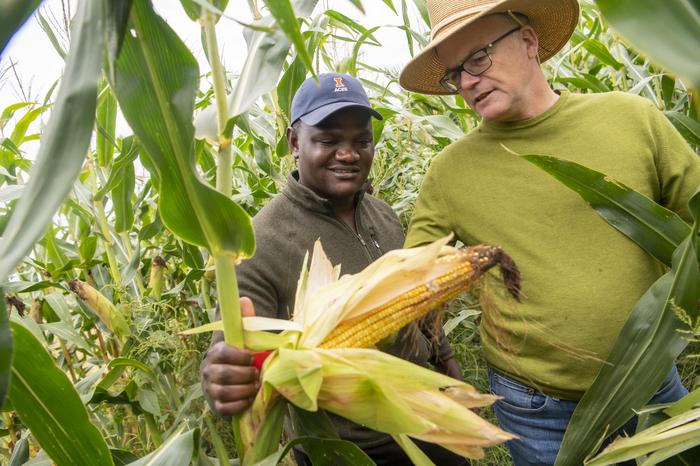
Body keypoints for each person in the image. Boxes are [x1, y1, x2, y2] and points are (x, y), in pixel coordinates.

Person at [398, 0, 700, 464]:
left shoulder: (633, 119)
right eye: (455, 73)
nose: (468, 81)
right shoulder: (450, 172)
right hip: (537, 408)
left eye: (477, 58)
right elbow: (408, 282)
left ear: (529, 41)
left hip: (651, 383)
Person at [200, 73, 466, 465]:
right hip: (347, 451)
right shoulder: (260, 241)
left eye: (362, 141)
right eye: (328, 141)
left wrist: (450, 375)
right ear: (294, 141)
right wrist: (219, 376)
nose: (348, 154)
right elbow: (235, 353)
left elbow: (420, 310)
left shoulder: (385, 216)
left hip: (432, 425)